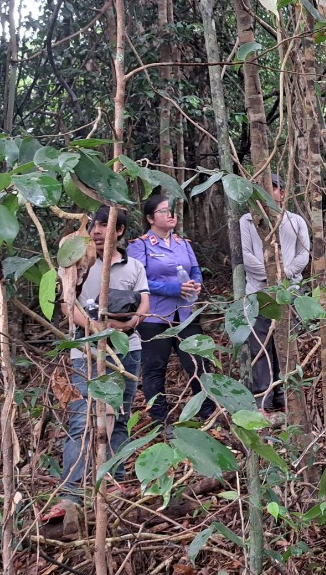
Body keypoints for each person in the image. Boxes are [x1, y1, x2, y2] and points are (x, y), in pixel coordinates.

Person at [50, 206, 148, 517]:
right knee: (83, 420)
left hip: (128, 349)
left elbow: (144, 300)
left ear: (119, 232)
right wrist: (95, 330)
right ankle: (71, 496)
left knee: (118, 416)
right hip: (87, 353)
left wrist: (130, 324)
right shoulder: (77, 261)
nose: (96, 230)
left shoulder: (133, 265)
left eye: (106, 225)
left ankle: (113, 484)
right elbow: (67, 304)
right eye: (95, 224)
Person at [127, 194, 216, 426]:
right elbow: (138, 280)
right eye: (164, 211)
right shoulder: (140, 245)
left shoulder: (182, 244)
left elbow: (195, 269)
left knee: (198, 363)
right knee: (155, 368)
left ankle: (207, 412)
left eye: (172, 210)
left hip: (186, 313)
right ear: (150, 218)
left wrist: (196, 282)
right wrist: (173, 288)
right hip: (154, 316)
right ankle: (160, 419)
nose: (171, 215)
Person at [239, 174, 311, 413]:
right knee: (260, 346)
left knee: (286, 345)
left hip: (288, 293)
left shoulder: (295, 221)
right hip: (258, 294)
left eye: (275, 189)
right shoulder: (247, 221)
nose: (271, 195)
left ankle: (286, 396)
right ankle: (263, 399)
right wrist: (271, 275)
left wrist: (284, 273)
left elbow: (304, 253)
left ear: (282, 192)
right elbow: (247, 256)